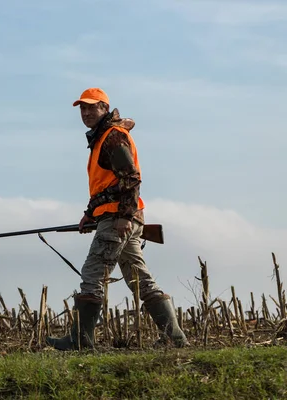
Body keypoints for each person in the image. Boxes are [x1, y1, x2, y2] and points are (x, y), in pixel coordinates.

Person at [45, 88, 188, 351]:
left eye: (91, 108)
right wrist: (91, 214)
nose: (86, 113)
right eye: (82, 109)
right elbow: (107, 185)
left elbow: (131, 179)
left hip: (118, 218)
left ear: (104, 108)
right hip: (119, 216)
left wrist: (121, 216)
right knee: (139, 279)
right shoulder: (104, 136)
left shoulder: (112, 138)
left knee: (92, 274)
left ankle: (80, 340)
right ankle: (174, 337)